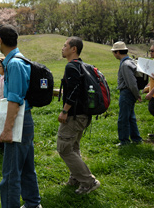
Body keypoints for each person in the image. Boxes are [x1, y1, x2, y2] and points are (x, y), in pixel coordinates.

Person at [0, 24, 42, 208]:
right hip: (25, 120)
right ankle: (32, 204)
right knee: (27, 168)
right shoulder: (20, 59)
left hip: (18, 122)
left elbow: (14, 101)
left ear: (0, 40)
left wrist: (7, 130)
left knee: (10, 175)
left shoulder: (14, 64)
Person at [58, 37, 100, 194]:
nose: (62, 48)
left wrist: (65, 110)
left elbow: (75, 89)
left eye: (65, 46)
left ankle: (89, 181)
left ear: (73, 49)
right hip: (84, 114)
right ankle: (76, 177)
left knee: (63, 148)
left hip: (74, 115)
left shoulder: (71, 66)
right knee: (73, 146)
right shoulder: (84, 65)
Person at [111, 41, 143, 146]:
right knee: (131, 117)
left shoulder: (125, 64)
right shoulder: (130, 61)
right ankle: (136, 138)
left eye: (114, 52)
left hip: (126, 92)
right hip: (130, 93)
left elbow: (131, 83)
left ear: (118, 52)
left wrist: (136, 94)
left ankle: (124, 141)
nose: (114, 54)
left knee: (123, 118)